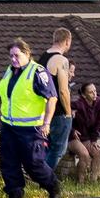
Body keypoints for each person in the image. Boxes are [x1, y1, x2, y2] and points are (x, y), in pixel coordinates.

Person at [0, 38, 60, 198]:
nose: (13, 59)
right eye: (11, 56)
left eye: (16, 55)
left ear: (27, 54)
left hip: (30, 129)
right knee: (8, 163)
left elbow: (52, 98)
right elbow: (9, 98)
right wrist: (0, 117)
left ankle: (53, 186)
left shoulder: (38, 72)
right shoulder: (10, 72)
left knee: (34, 164)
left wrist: (46, 123)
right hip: (9, 127)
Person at [38, 28, 73, 169]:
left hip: (43, 111)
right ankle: (44, 179)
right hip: (58, 112)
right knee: (58, 150)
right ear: (67, 41)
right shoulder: (61, 60)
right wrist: (69, 113)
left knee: (46, 148)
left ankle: (41, 177)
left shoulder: (42, 57)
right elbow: (63, 91)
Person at [67, 82, 100, 183]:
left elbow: (99, 122)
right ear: (84, 95)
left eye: (95, 91)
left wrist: (94, 140)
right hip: (73, 137)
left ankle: (93, 181)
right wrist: (72, 130)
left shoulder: (99, 103)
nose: (94, 94)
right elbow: (63, 114)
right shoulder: (78, 104)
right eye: (91, 92)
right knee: (84, 155)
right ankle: (80, 182)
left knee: (98, 153)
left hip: (87, 138)